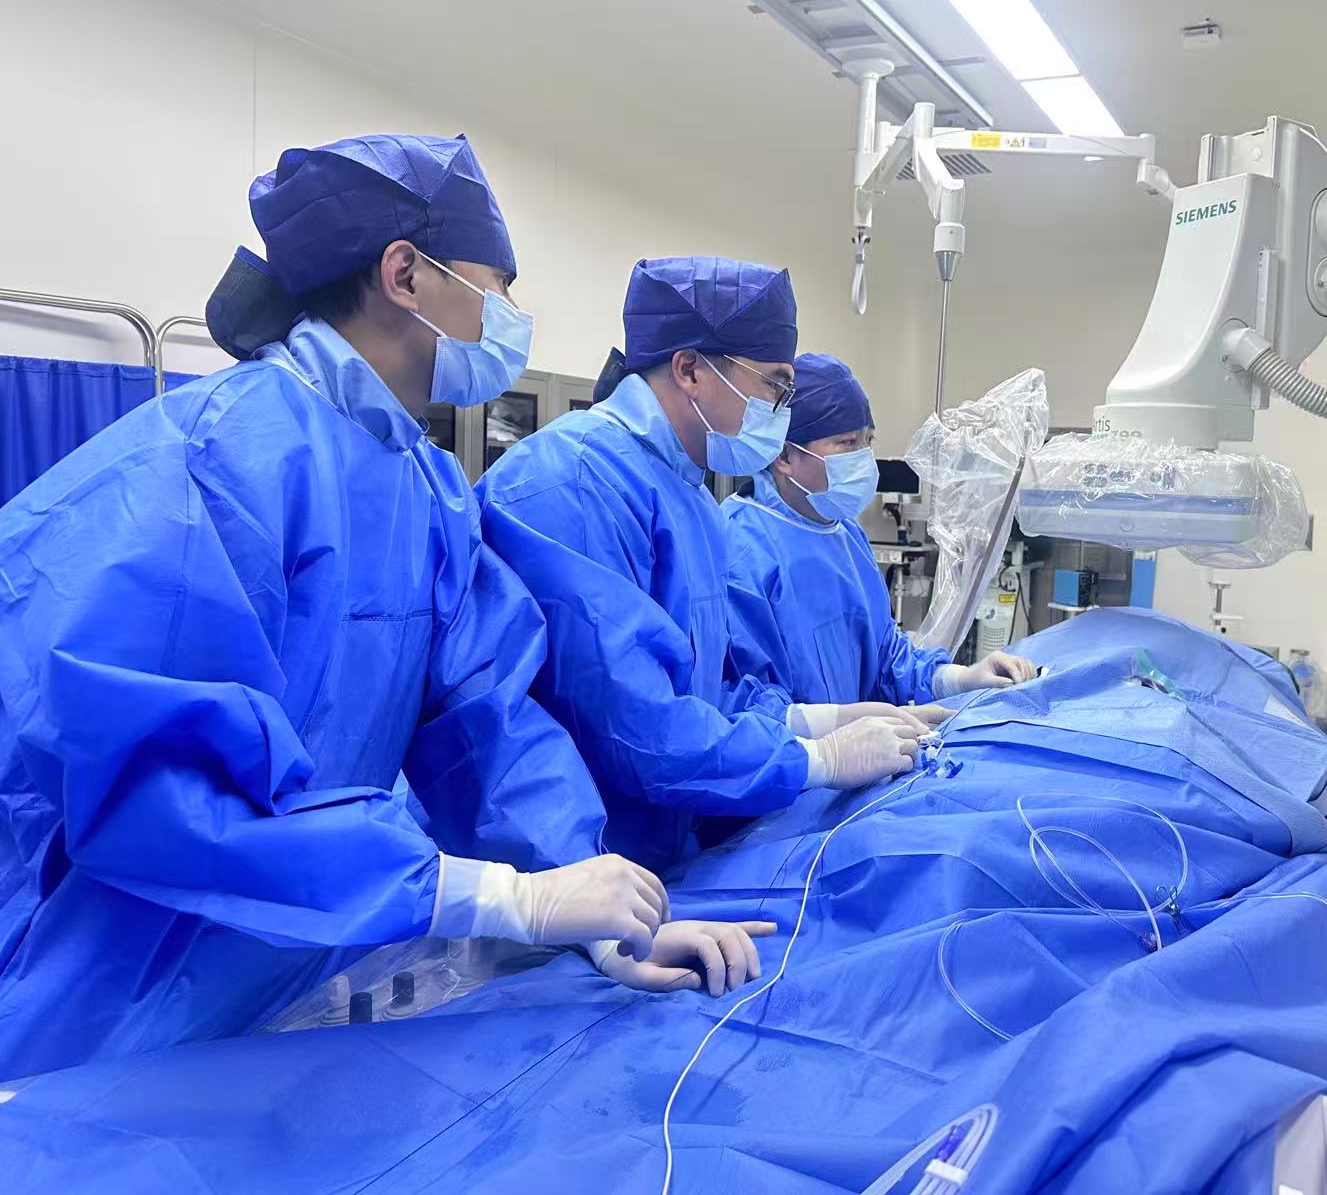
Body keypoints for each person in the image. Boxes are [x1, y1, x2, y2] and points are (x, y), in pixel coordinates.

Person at [0, 136, 768, 1081]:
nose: (511, 317)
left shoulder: (425, 487)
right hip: (91, 1007)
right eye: (500, 286)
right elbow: (164, 796)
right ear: (406, 274)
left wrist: (594, 906)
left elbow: (487, 719)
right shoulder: (214, 462)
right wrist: (493, 898)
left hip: (279, 981)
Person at [478, 257, 940, 870]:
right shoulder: (574, 481)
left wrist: (816, 719)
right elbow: (635, 725)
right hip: (560, 864)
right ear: (691, 369)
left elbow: (706, 687)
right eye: (775, 386)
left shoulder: (688, 495)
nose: (781, 409)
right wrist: (817, 759)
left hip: (650, 850)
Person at [724, 353, 1036, 708]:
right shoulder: (740, 548)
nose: (864, 457)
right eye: (848, 443)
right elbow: (740, 700)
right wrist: (831, 735)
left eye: (868, 441)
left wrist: (957, 678)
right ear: (784, 456)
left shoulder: (846, 536)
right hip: (789, 745)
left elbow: (886, 657)